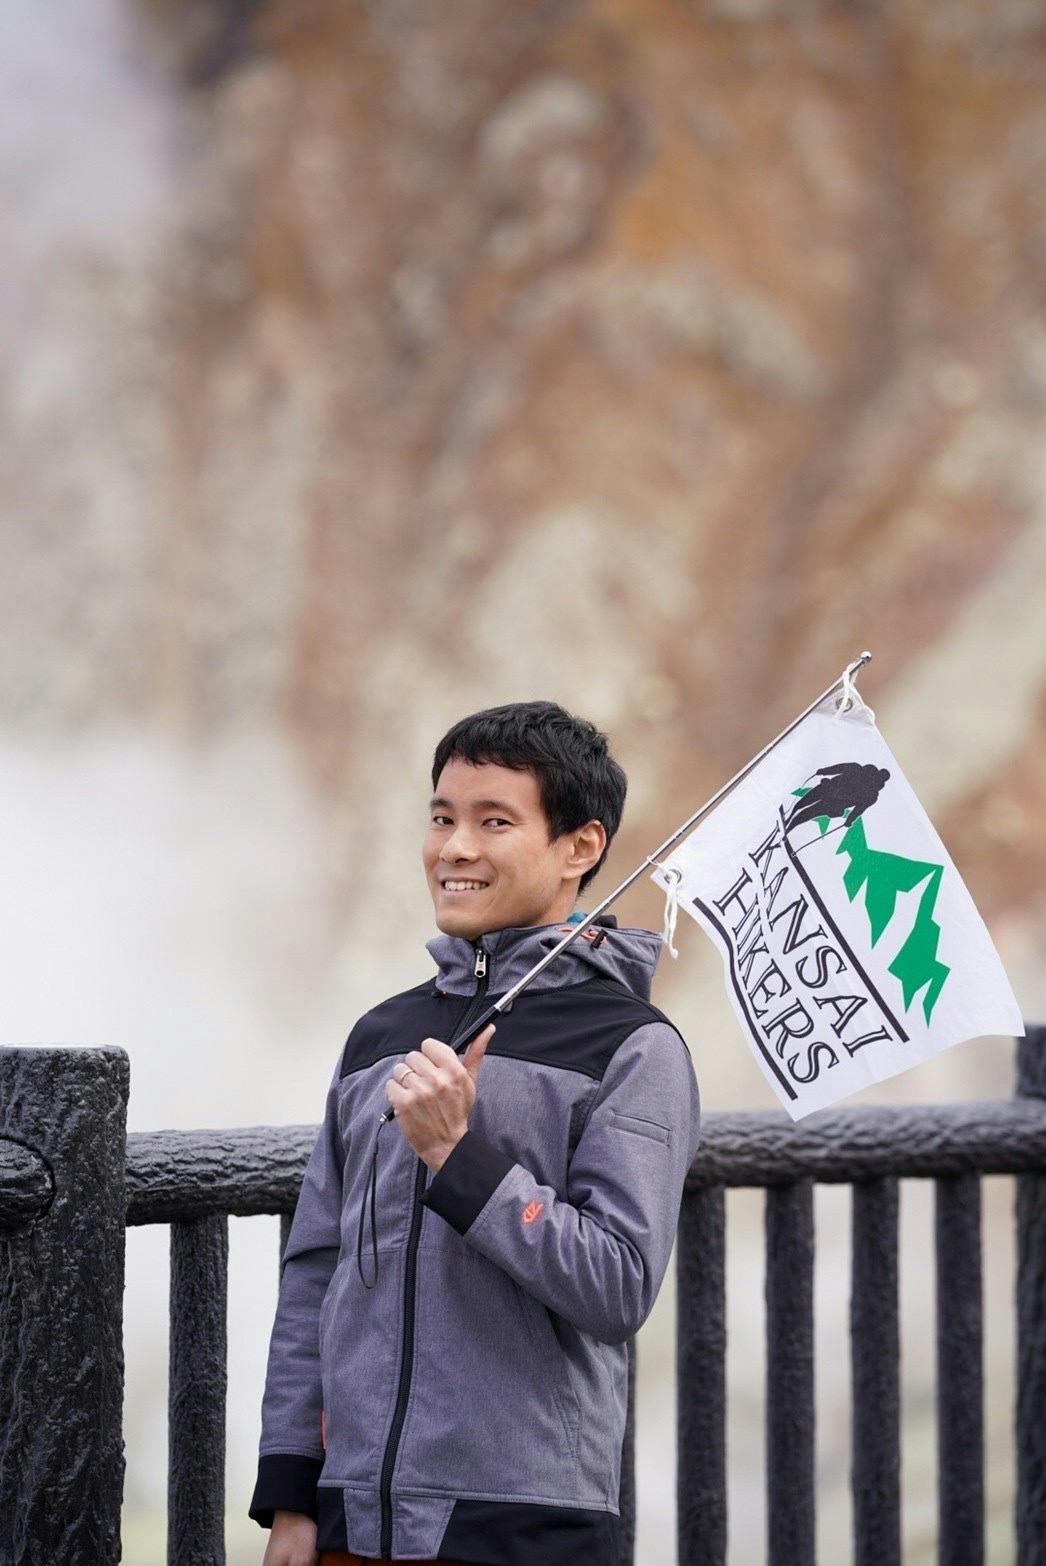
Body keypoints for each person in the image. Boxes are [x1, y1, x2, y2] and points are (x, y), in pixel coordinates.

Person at [249, 701, 702, 1566]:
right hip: (351, 1519)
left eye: (495, 822)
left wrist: (459, 1159)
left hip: (524, 1524)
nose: (454, 848)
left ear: (581, 847)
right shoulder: (380, 1035)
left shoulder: (633, 1047)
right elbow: (315, 1272)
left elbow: (618, 1286)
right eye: (442, 819)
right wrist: (292, 1494)